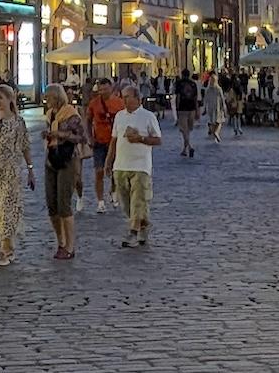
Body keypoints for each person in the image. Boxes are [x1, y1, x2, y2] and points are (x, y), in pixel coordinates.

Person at [0, 83, 34, 268]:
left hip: (11, 171)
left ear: (10, 99)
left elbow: (25, 146)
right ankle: (9, 247)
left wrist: (30, 169)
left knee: (7, 209)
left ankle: (3, 251)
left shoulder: (18, 123)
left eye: (1, 98)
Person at [107, 82, 162, 249]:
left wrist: (141, 139)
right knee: (125, 202)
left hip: (140, 166)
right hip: (121, 165)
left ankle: (132, 232)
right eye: (122, 97)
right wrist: (108, 161)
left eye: (126, 97)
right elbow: (114, 140)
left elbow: (158, 140)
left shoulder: (148, 116)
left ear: (137, 99)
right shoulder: (119, 116)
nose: (123, 100)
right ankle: (142, 225)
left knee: (138, 200)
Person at [41, 83, 86, 260]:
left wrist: (61, 135)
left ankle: (70, 245)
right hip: (51, 157)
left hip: (67, 158)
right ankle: (60, 241)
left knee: (63, 203)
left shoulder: (71, 114)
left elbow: (82, 137)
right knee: (52, 204)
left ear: (57, 97)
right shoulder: (50, 114)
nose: (46, 100)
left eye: (49, 97)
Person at [86, 78, 124, 214]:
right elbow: (88, 120)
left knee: (115, 171)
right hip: (99, 142)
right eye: (100, 89)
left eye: (105, 89)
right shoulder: (94, 103)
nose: (102, 92)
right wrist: (89, 137)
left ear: (111, 88)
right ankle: (100, 202)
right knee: (99, 171)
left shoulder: (119, 103)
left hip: (115, 142)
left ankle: (114, 190)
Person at [172, 69, 200, 157]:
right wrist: (197, 110)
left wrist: (176, 109)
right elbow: (196, 98)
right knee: (187, 130)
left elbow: (178, 97)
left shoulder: (179, 83)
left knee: (184, 130)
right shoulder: (193, 84)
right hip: (192, 108)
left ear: (182, 74)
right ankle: (185, 149)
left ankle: (190, 147)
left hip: (182, 108)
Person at [200, 71, 226, 144]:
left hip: (210, 108)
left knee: (212, 122)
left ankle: (214, 133)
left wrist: (204, 108)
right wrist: (224, 107)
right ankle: (216, 132)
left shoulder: (207, 89)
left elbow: (205, 100)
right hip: (217, 107)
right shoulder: (218, 89)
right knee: (219, 122)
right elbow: (222, 98)